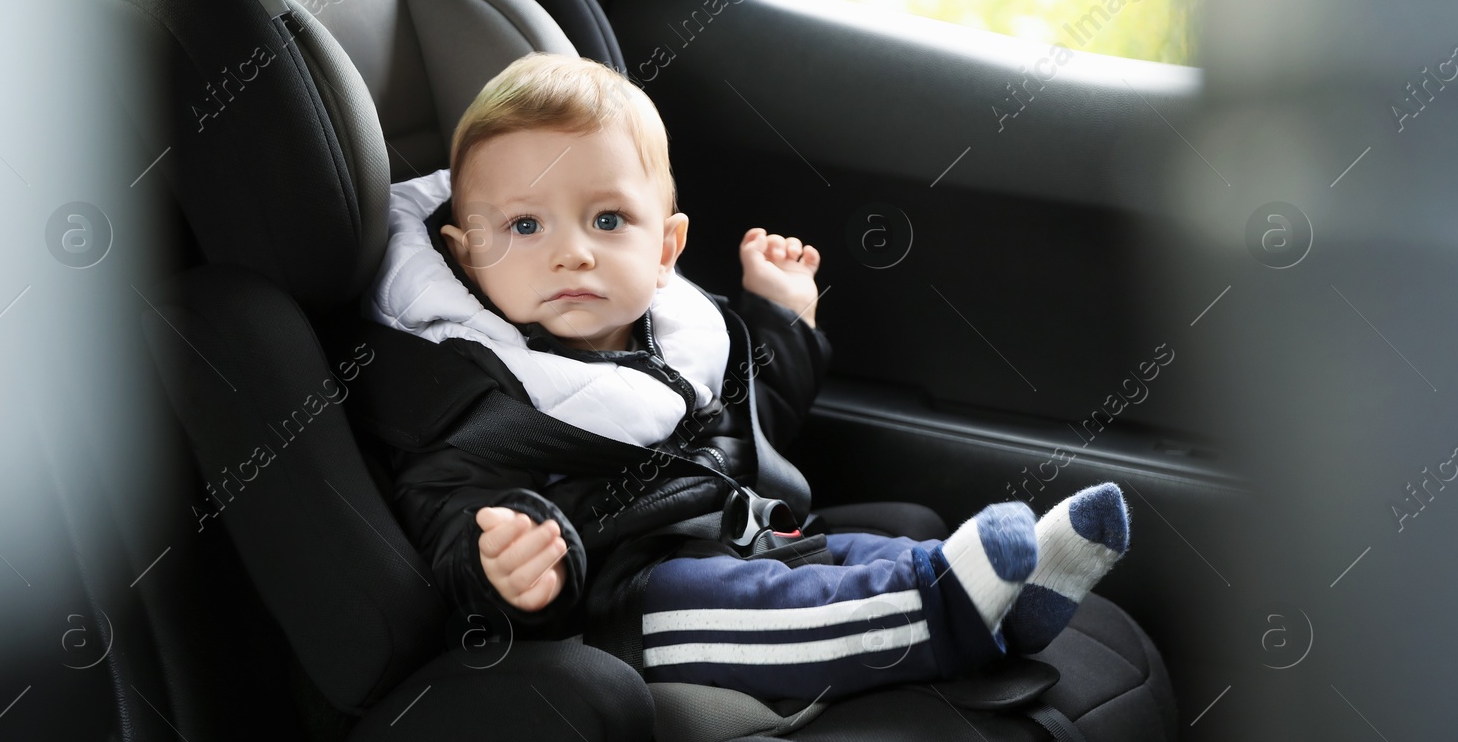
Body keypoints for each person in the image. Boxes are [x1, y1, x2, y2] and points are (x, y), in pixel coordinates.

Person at [369, 52, 1129, 701]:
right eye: (525, 226)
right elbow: (442, 507)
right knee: (768, 600)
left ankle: (1011, 602)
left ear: (666, 247)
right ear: (466, 254)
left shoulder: (674, 340)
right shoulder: (471, 389)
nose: (573, 253)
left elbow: (758, 424)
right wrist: (499, 567)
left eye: (607, 221)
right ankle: (944, 615)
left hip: (747, 538)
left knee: (859, 550)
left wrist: (783, 323)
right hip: (627, 609)